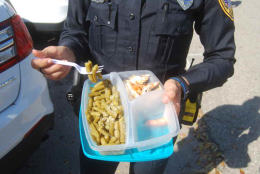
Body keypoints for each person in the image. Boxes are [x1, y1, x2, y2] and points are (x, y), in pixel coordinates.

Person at [31, 0, 236, 173]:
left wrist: (182, 83)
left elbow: (222, 57)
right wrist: (68, 52)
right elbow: (75, 31)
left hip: (157, 121)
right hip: (101, 117)